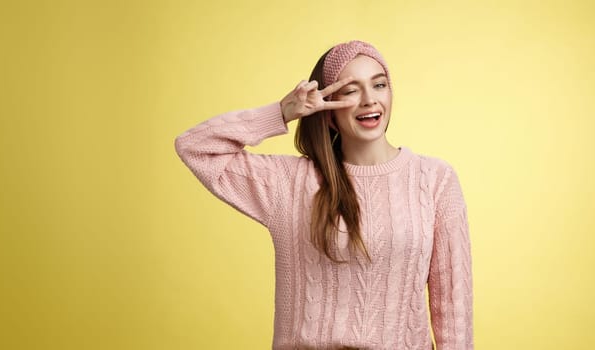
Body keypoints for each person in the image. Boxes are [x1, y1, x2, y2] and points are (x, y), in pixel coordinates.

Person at [174, 40, 473, 350]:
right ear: (327, 108)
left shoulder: (435, 180)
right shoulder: (289, 184)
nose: (369, 100)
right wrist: (281, 113)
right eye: (351, 91)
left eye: (379, 85)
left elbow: (454, 309)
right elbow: (195, 147)